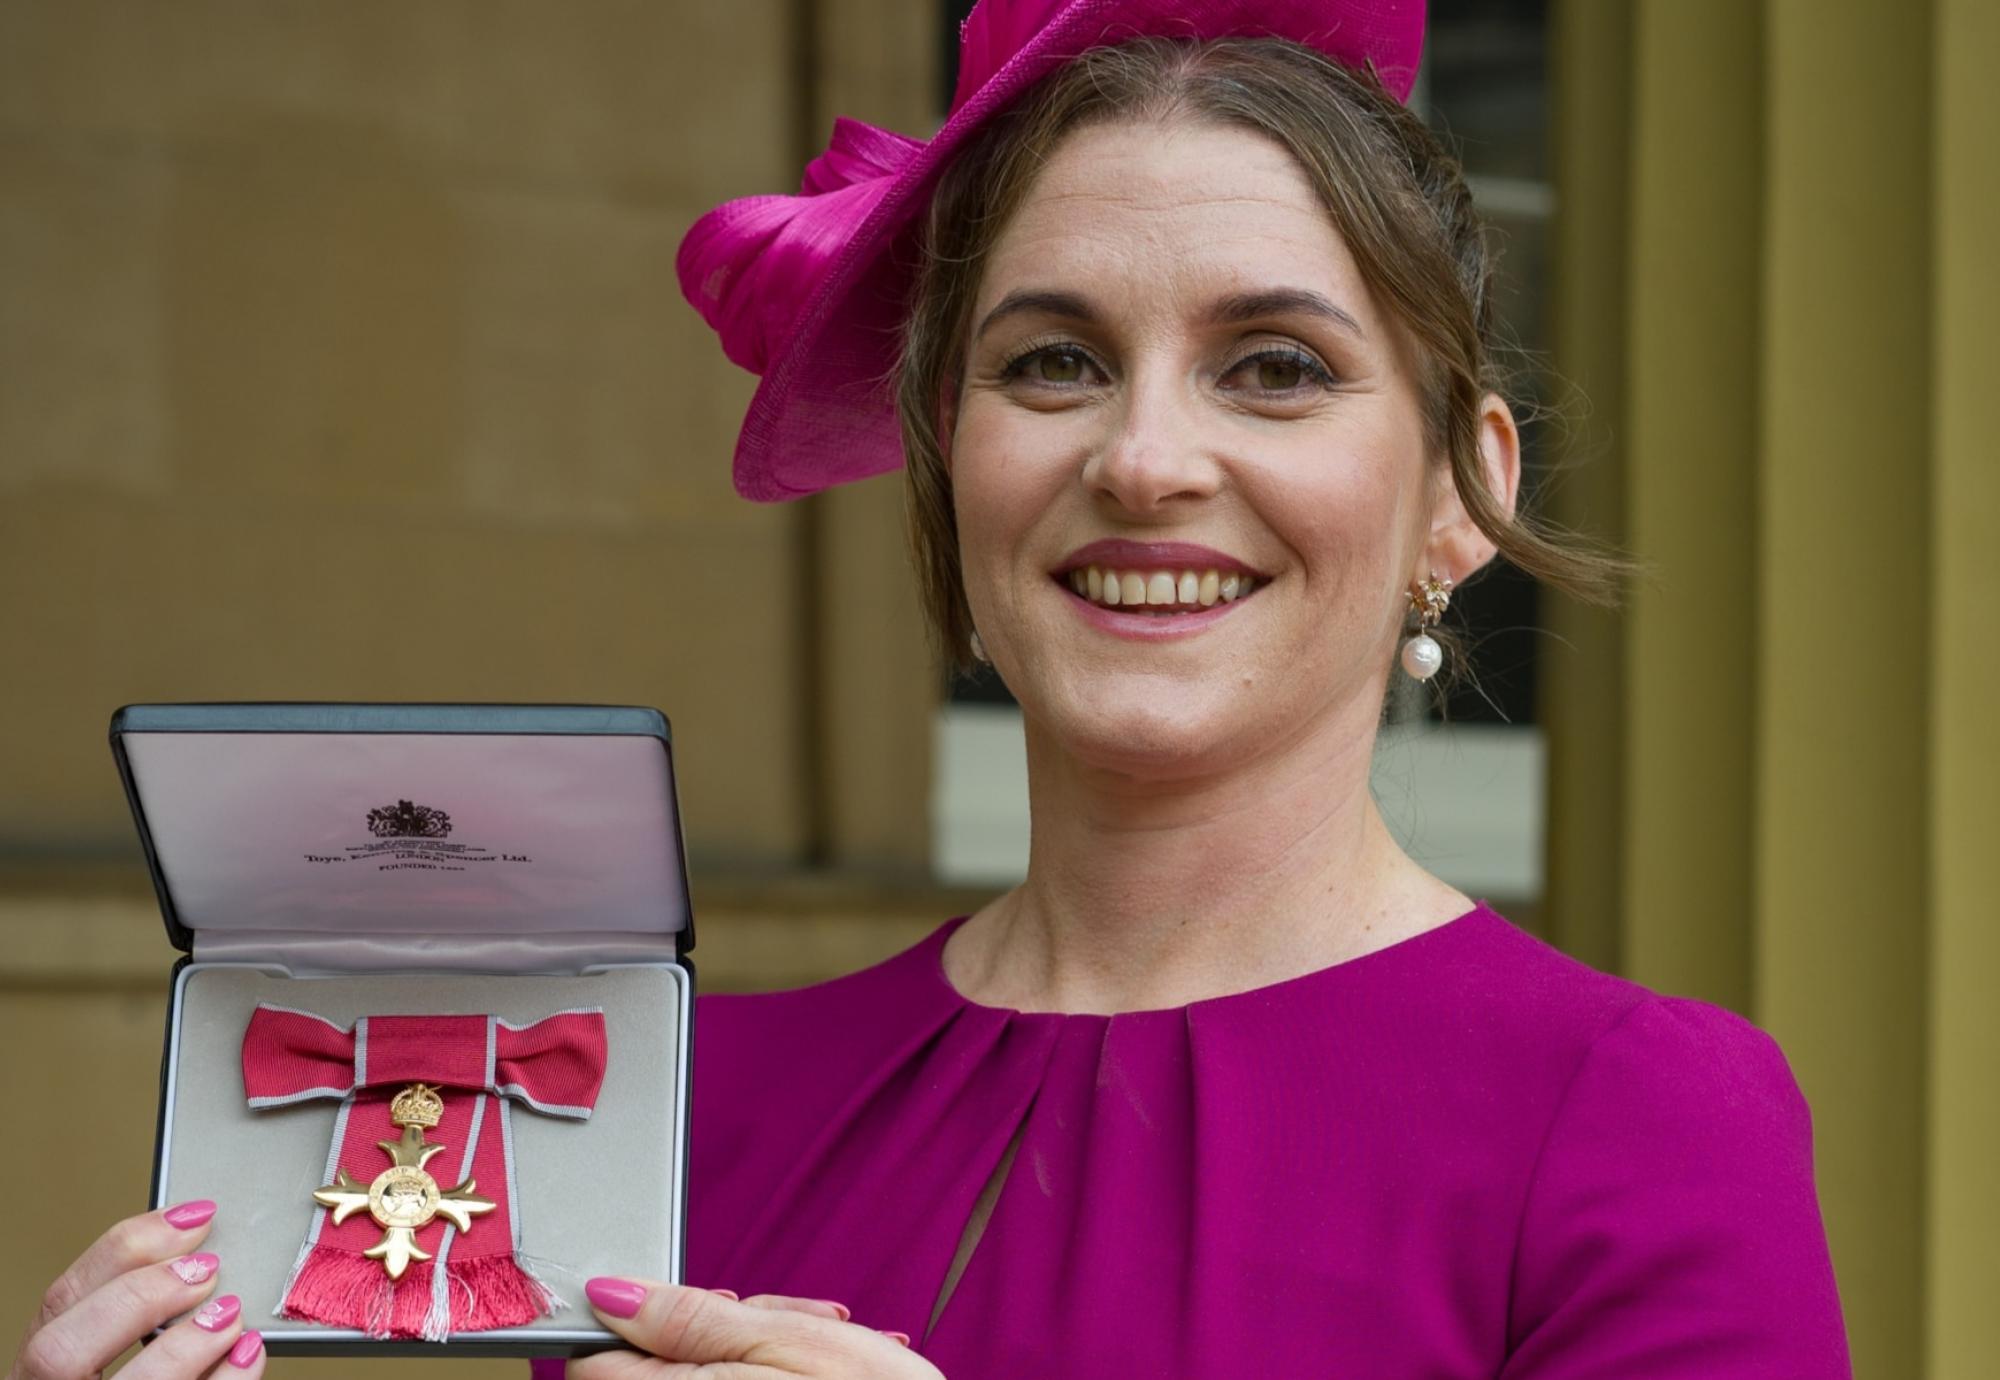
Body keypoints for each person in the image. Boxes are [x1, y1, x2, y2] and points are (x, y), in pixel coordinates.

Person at [11, 3, 1850, 1378]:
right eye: (1052, 360)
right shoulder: (684, 1106)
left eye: (1274, 368)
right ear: (946, 469)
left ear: (1463, 493)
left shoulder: (1633, 1117)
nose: (1143, 459)